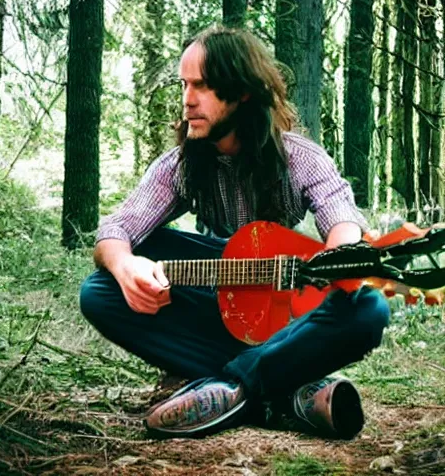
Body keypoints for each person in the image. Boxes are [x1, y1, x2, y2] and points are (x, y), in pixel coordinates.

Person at [80, 26, 390, 440]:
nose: (188, 100)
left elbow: (342, 220)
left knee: (368, 307)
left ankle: (231, 386)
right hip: (223, 300)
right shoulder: (180, 166)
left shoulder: (300, 158)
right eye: (185, 85)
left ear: (243, 92)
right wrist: (125, 266)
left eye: (203, 86)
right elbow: (115, 228)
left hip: (286, 313)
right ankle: (286, 387)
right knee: (100, 289)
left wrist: (341, 256)